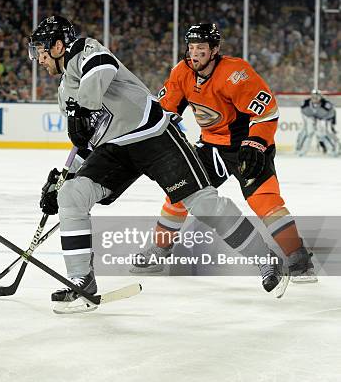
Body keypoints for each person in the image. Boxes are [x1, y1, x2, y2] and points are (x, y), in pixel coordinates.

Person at [28, 16, 288, 314]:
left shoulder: (87, 50)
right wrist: (67, 177)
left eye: (40, 50)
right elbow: (89, 139)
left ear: (59, 45)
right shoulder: (64, 92)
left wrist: (81, 109)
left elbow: (101, 68)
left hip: (153, 134)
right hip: (115, 147)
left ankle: (264, 258)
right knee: (71, 195)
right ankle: (81, 281)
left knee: (202, 204)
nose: (38, 58)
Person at [132, 23, 316, 283]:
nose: (194, 54)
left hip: (247, 147)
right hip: (210, 147)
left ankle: (298, 257)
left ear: (215, 50)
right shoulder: (181, 72)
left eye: (201, 49)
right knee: (179, 191)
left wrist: (256, 143)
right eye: (191, 47)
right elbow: (165, 111)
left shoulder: (236, 73)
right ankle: (161, 248)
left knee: (265, 200)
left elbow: (267, 111)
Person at [296, 89, 338, 157]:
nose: (315, 98)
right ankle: (300, 150)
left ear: (320, 97)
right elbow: (303, 112)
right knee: (308, 133)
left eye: (317, 96)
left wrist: (326, 120)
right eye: (313, 96)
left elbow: (332, 113)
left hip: (324, 119)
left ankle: (333, 150)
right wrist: (309, 119)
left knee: (323, 134)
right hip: (310, 118)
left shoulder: (326, 104)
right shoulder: (305, 103)